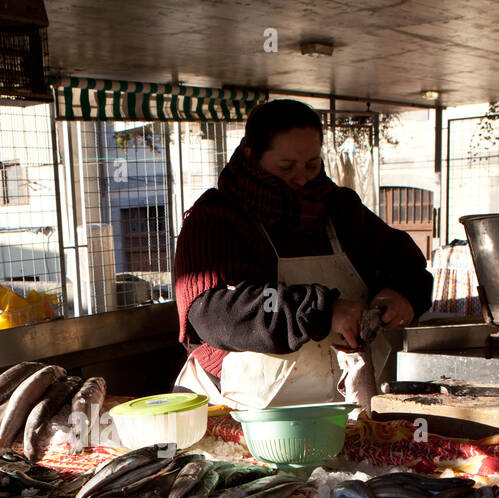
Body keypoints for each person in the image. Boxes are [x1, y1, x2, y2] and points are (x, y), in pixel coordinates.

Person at [172, 99, 432, 409]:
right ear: (251, 154)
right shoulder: (215, 218)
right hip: (243, 409)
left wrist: (406, 295)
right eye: (286, 166)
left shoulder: (339, 209)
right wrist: (320, 310)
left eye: (312, 164)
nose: (302, 178)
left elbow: (406, 263)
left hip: (345, 402)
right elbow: (213, 314)